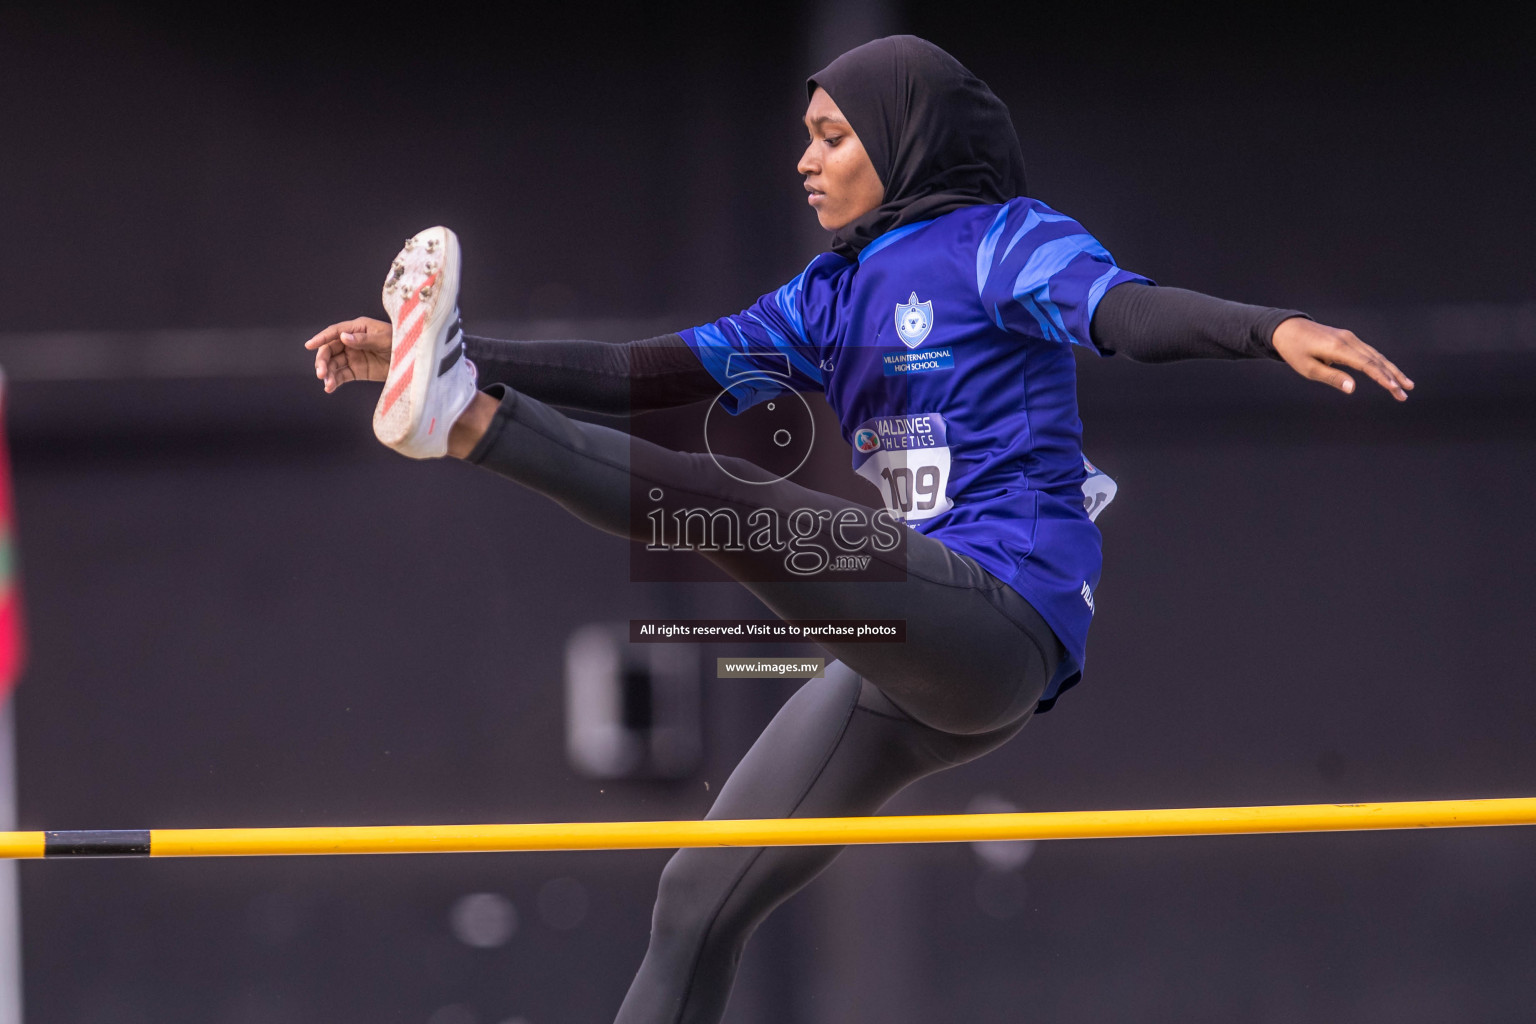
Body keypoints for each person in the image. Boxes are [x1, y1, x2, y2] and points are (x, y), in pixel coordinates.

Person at [305, 35, 1411, 1024]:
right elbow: (645, 374)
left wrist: (1270, 331)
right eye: (805, 137)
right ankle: (454, 396)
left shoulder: (997, 243)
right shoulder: (830, 295)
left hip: (1002, 615)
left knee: (749, 507)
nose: (806, 160)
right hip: (906, 660)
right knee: (698, 893)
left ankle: (465, 422)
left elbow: (1125, 312)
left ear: (903, 141)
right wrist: (448, 348)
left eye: (831, 136)